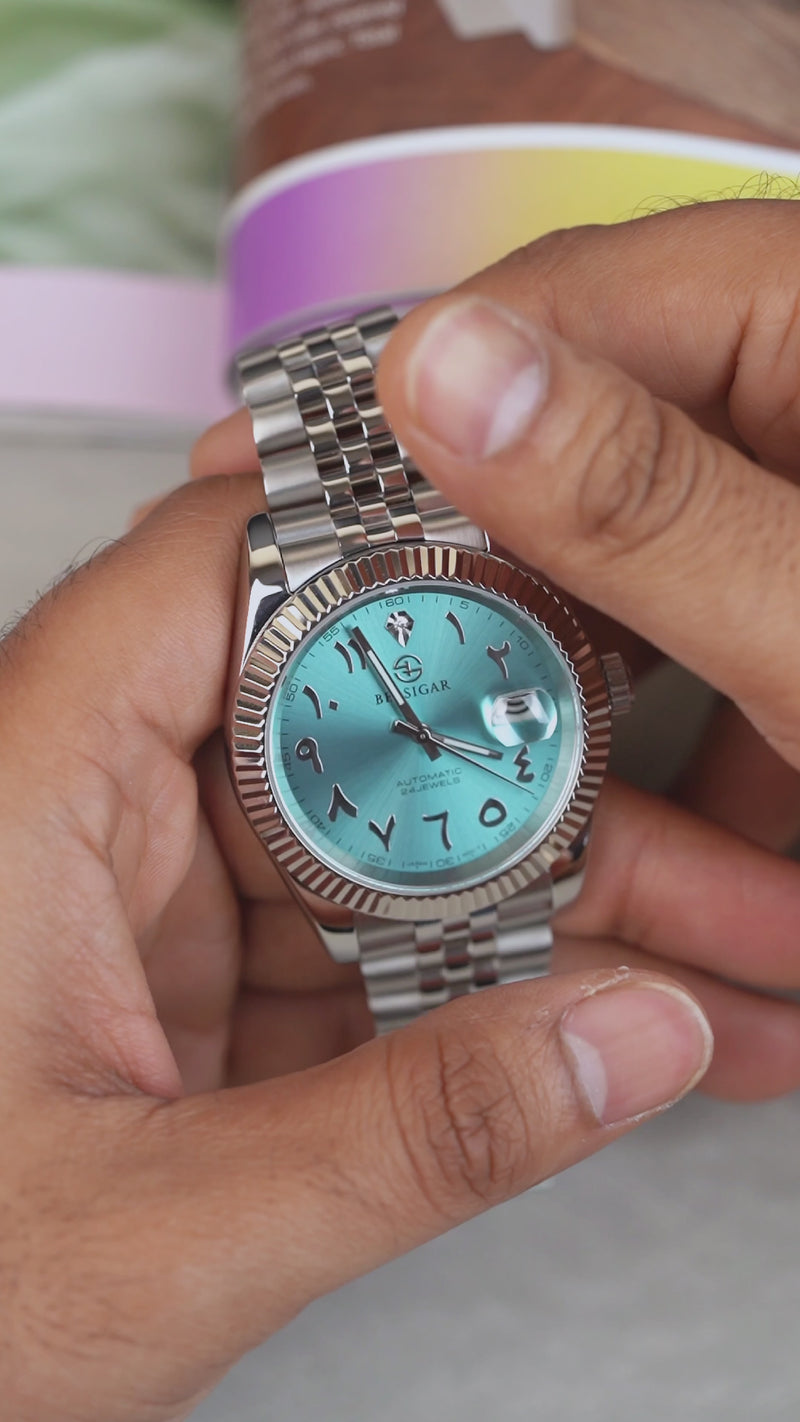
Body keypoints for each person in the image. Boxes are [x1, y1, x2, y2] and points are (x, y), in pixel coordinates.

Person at [3, 198, 800, 1421]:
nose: (420, 737)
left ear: (578, 690)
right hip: (420, 842)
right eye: (399, 732)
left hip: (503, 816)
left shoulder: (516, 662)